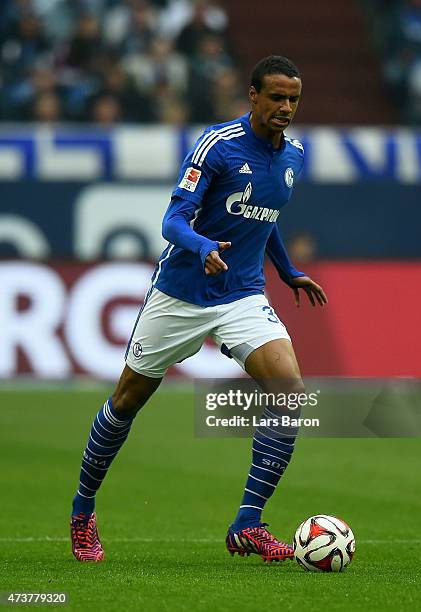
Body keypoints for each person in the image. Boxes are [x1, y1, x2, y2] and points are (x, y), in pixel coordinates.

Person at [70, 55, 327, 563]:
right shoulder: (218, 146)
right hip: (181, 294)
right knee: (127, 399)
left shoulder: (295, 154)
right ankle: (82, 512)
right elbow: (172, 220)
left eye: (293, 99)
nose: (285, 107)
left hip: (242, 295)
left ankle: (248, 524)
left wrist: (286, 269)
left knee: (289, 392)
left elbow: (264, 216)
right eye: (276, 97)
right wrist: (202, 244)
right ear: (252, 96)